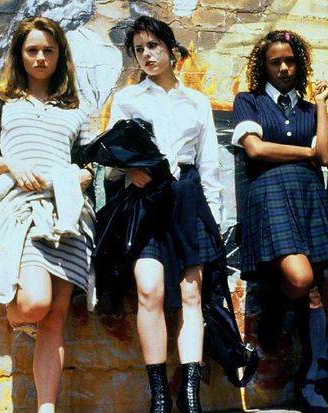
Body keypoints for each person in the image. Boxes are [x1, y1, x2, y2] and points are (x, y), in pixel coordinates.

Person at [0, 16, 95, 413]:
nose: (41, 58)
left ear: (60, 55)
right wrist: (12, 165)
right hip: (22, 211)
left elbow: (91, 164)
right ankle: (16, 318)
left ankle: (47, 407)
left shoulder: (77, 108)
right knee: (34, 304)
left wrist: (82, 174)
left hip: (67, 214)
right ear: (19, 54)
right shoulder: (2, 100)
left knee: (55, 317)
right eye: (32, 50)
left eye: (48, 50)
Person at [105, 15, 223, 413]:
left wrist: (216, 220)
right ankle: (159, 396)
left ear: (171, 49)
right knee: (149, 290)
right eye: (139, 49)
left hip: (187, 200)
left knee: (191, 293)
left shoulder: (197, 102)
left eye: (153, 46)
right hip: (145, 201)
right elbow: (110, 158)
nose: (147, 55)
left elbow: (209, 166)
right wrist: (128, 170)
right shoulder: (127, 100)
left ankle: (190, 396)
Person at [231, 30, 328, 413]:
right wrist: (306, 151)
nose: (283, 67)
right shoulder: (249, 102)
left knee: (318, 292)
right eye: (275, 62)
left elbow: (327, 156)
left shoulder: (311, 110)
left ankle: (311, 382)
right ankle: (279, 305)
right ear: (263, 66)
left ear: (300, 64)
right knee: (299, 278)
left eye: (290, 61)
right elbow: (255, 148)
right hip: (271, 197)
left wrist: (323, 106)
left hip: (310, 196)